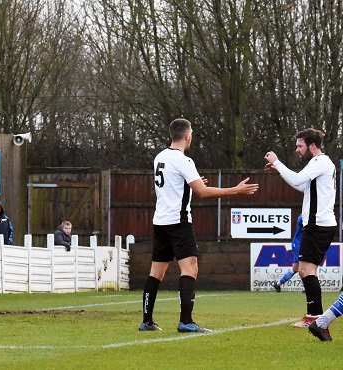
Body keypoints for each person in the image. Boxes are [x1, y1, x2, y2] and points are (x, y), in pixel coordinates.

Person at [140, 118, 258, 333]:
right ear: (187, 135)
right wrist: (236, 190)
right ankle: (186, 321)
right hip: (179, 222)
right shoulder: (184, 161)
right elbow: (203, 193)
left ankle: (147, 321)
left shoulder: (160, 157)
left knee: (156, 272)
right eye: (191, 132)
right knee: (190, 268)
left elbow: (173, 186)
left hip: (160, 221)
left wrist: (193, 183)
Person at [265, 128, 336, 329]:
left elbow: (297, 179)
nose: (297, 150)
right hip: (319, 225)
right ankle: (314, 315)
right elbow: (302, 186)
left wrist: (277, 161)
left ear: (311, 146)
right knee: (306, 270)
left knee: (306, 270)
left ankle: (315, 316)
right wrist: (280, 171)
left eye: (300, 146)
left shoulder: (319, 162)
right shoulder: (320, 164)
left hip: (318, 226)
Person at [273, 215, 303, 293]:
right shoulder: (303, 217)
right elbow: (301, 221)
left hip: (301, 245)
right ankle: (306, 288)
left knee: (295, 268)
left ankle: (278, 284)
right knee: (304, 266)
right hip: (299, 245)